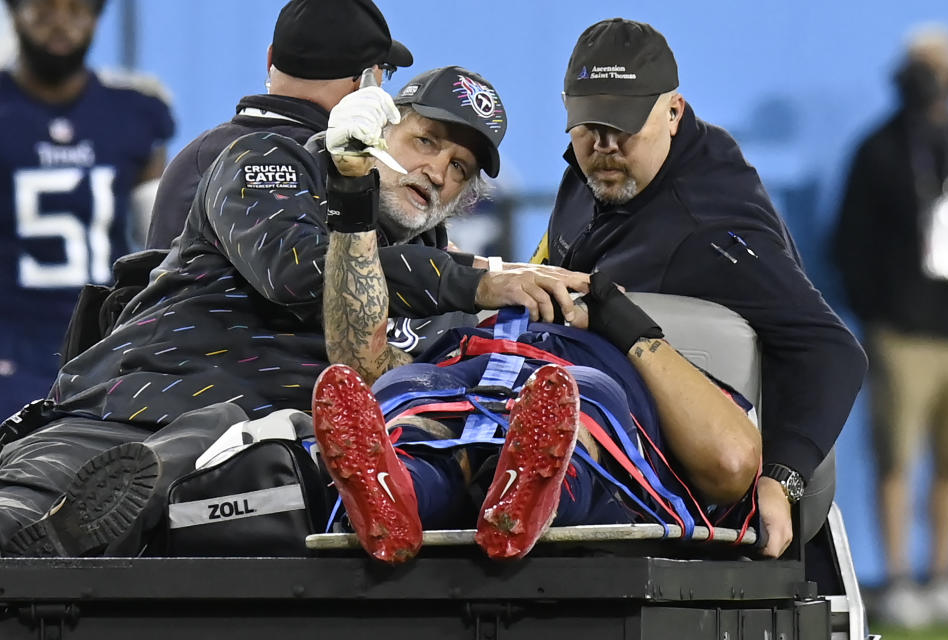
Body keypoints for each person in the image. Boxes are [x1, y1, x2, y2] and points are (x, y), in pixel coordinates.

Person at [0, 65, 589, 556]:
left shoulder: (446, 295)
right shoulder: (276, 163)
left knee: (255, 440)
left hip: (248, 457)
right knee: (17, 508)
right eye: (426, 142)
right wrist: (473, 280)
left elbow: (376, 380)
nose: (436, 173)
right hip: (124, 407)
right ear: (381, 129)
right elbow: (298, 271)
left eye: (460, 168)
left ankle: (91, 527)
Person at [308, 133, 761, 562]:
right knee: (411, 392)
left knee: (576, 399)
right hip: (462, 375)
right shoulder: (455, 310)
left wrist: (621, 322)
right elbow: (364, 359)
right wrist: (489, 283)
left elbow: (732, 460)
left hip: (571, 383)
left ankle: (528, 493)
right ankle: (399, 492)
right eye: (425, 142)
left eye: (459, 167)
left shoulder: (633, 346)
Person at [532, 19, 868, 560]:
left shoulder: (710, 227)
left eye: (623, 126)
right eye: (588, 123)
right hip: (589, 400)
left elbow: (832, 348)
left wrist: (781, 480)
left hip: (680, 474)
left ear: (673, 112)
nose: (605, 144)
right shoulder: (593, 167)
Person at [832, 25, 948, 627]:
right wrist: (877, 314)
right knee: (897, 459)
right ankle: (901, 579)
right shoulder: (878, 149)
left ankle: (940, 575)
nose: (925, 75)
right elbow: (848, 242)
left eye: (934, 64)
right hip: (902, 335)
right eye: (917, 64)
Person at [0, 0, 175, 419]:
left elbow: (162, 238)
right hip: (12, 341)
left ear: (97, 16)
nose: (61, 24)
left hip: (106, 339)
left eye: (77, 10)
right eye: (44, 10)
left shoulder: (134, 110)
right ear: (14, 13)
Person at [143, 0, 412, 251]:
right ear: (366, 85)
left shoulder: (196, 154)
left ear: (270, 59)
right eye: (384, 72)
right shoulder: (332, 171)